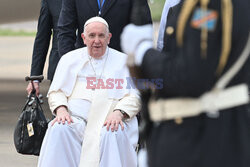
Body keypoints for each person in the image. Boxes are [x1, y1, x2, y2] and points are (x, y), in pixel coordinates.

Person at [121, 0, 250, 167]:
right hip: (209, 136)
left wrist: (143, 52)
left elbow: (187, 77)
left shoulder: (207, 7)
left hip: (198, 141)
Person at [37, 17, 140, 167]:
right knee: (59, 129)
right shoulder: (69, 59)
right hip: (76, 121)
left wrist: (119, 113)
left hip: (110, 119)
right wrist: (61, 110)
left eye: (101, 36)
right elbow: (56, 92)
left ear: (109, 38)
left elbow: (135, 96)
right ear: (84, 38)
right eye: (92, 36)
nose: (96, 41)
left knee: (112, 132)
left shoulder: (125, 61)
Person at [57, 0, 152, 57]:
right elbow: (66, 31)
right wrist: (70, 63)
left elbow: (142, 30)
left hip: (120, 66)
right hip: (84, 64)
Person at [26, 0, 62, 95]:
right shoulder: (50, 2)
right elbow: (42, 38)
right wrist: (35, 78)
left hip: (90, 70)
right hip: (59, 69)